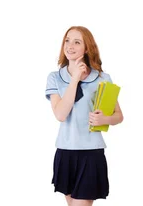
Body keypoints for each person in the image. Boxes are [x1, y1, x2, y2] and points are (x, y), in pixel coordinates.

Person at [45, 26, 124, 206]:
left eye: (77, 42)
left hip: (91, 152)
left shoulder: (102, 78)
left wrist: (105, 119)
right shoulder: (55, 78)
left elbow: (119, 115)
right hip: (65, 151)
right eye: (67, 40)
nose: (70, 46)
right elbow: (60, 114)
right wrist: (75, 79)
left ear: (87, 48)